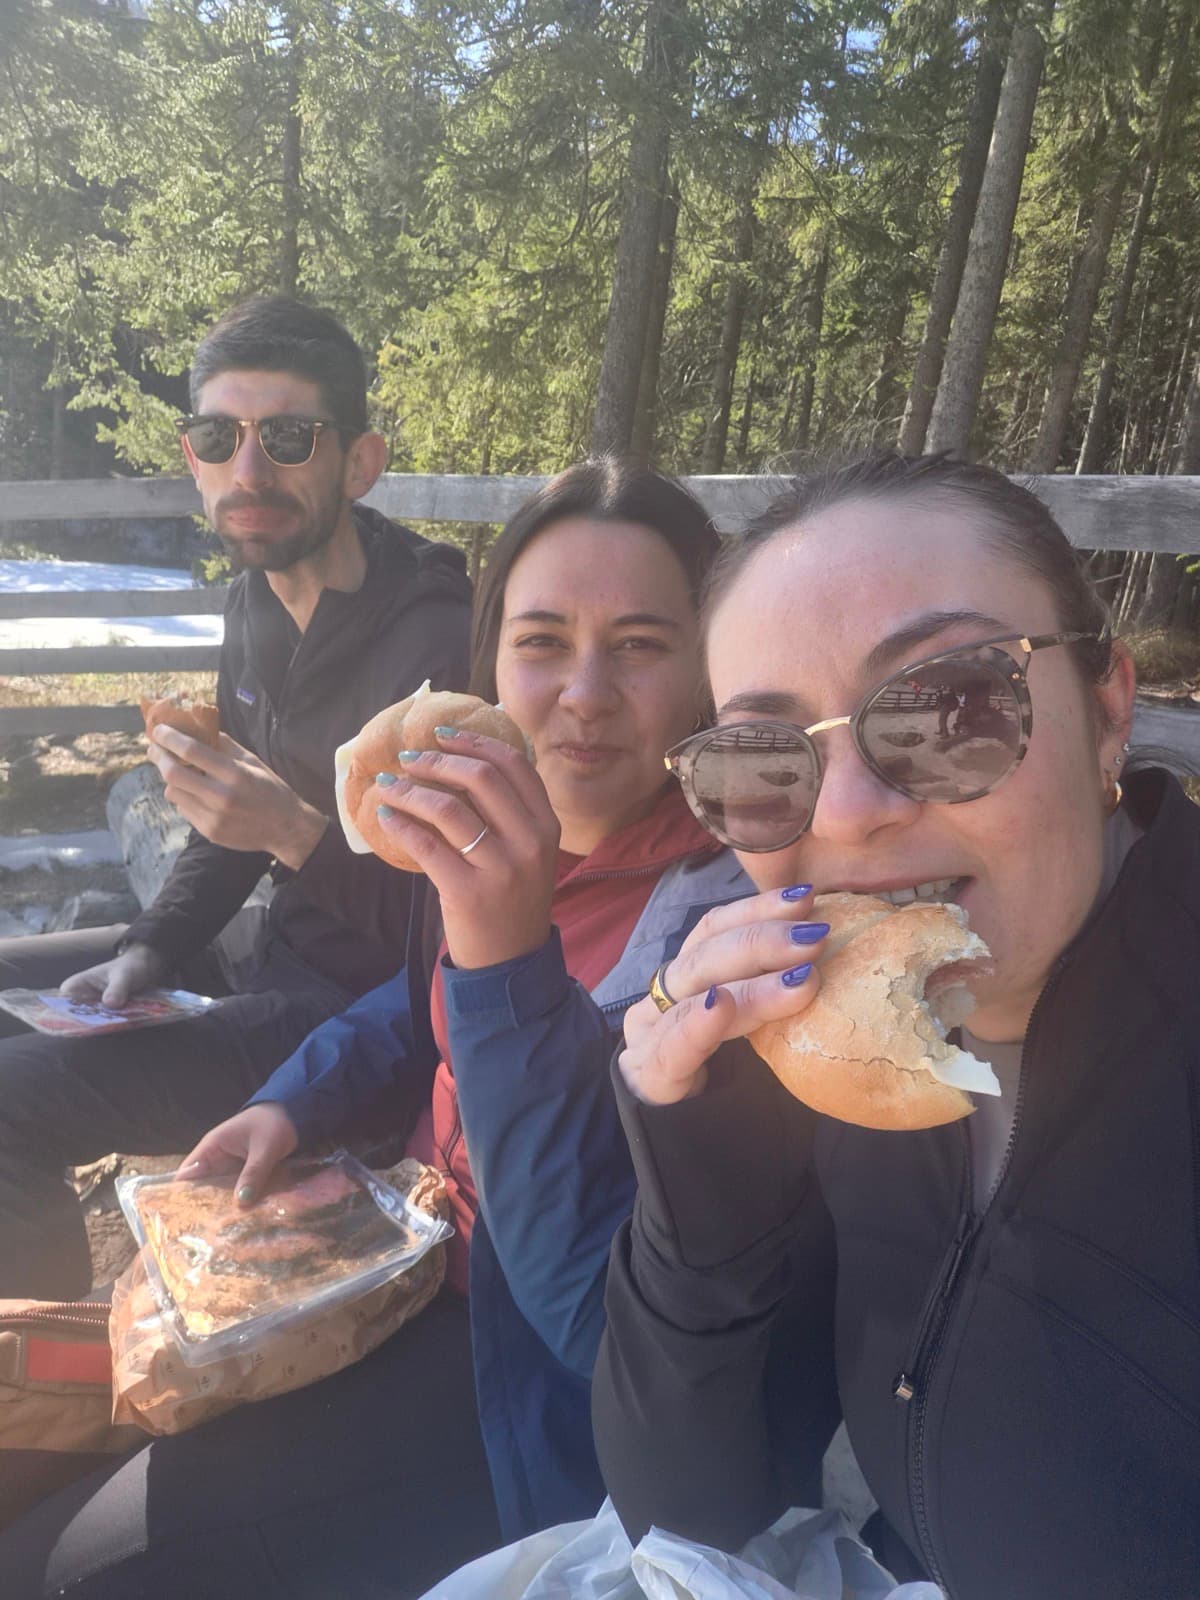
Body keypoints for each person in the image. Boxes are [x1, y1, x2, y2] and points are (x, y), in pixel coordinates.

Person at [0, 460, 747, 1599]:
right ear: (492, 667)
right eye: (543, 641)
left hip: (510, 1378)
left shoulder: (722, 921)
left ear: (709, 673)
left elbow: (596, 1317)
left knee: (67, 1570)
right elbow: (409, 1000)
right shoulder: (528, 841)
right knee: (28, 1448)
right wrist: (288, 1100)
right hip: (375, 1255)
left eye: (641, 644)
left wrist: (503, 953)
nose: (585, 692)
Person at [592, 453, 1200, 1600]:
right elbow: (692, 1511)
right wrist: (698, 1174)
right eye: (765, 760)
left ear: (1108, 708)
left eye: (949, 705)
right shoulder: (832, 1068)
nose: (850, 815)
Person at [0, 295, 472, 1300]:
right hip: (264, 956)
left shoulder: (437, 642)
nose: (250, 469)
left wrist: (297, 835)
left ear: (360, 462)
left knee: (8, 1102)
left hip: (354, 1019)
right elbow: (228, 830)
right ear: (192, 457)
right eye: (220, 436)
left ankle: (41, 1403)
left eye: (289, 437)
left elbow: (458, 933)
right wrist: (149, 947)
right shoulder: (250, 604)